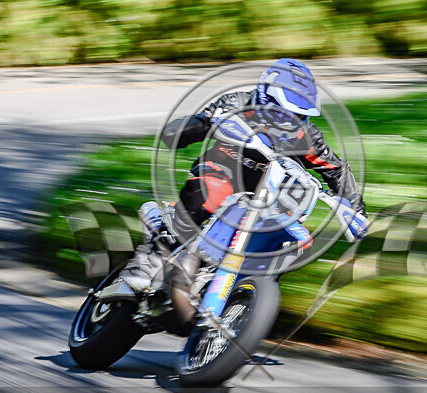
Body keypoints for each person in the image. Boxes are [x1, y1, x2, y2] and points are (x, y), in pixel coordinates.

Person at [118, 58, 366, 293]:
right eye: (283, 113)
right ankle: (152, 258)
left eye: (299, 116)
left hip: (270, 191)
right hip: (223, 169)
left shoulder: (307, 135)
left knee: (289, 234)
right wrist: (198, 126)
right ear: (263, 96)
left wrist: (355, 208)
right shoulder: (235, 103)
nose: (290, 121)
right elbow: (189, 128)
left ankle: (251, 291)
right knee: (211, 194)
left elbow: (335, 169)